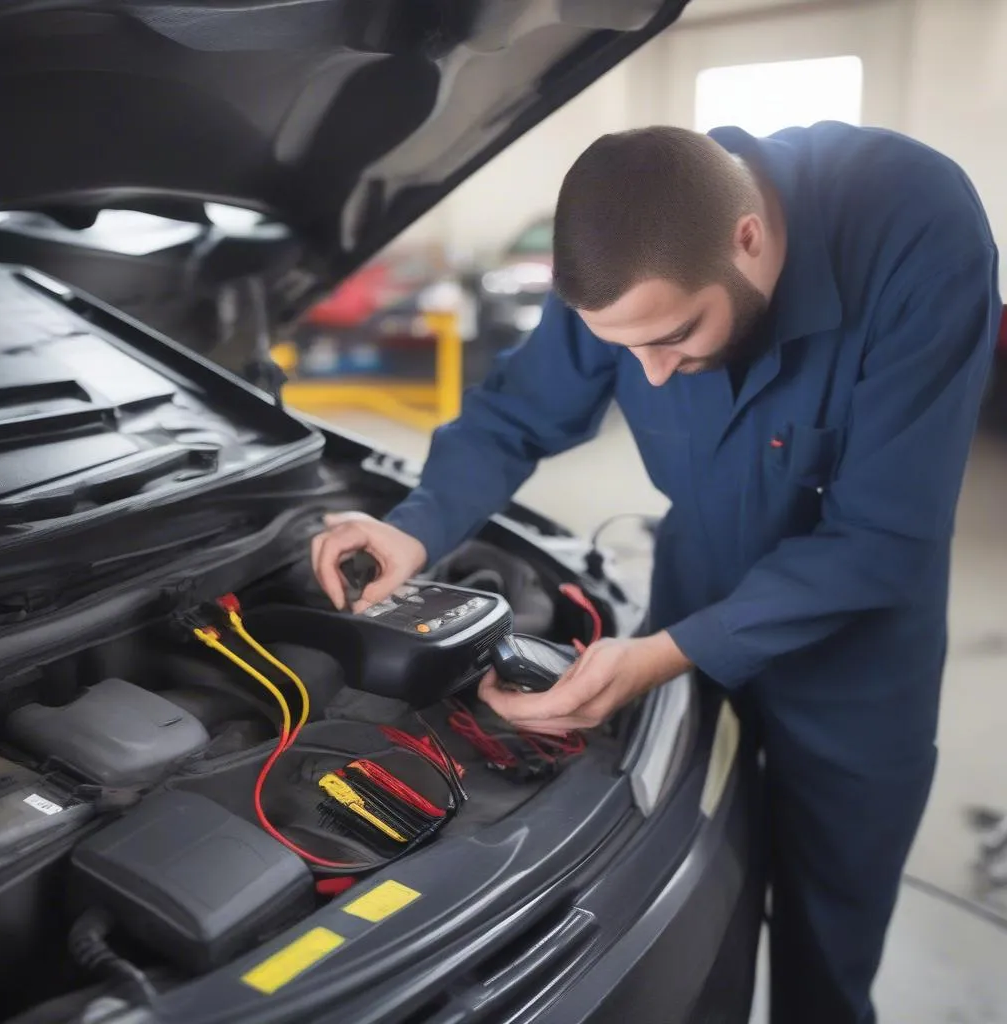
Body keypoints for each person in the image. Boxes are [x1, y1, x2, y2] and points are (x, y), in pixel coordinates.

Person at [311, 123, 1001, 1023]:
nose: (651, 375)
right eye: (623, 349)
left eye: (677, 336)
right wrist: (418, 525)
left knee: (827, 945)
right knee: (698, 888)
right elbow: (516, 415)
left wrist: (669, 652)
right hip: (696, 581)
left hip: (858, 647)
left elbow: (886, 536)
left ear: (748, 240)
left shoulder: (916, 227)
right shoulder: (625, 242)